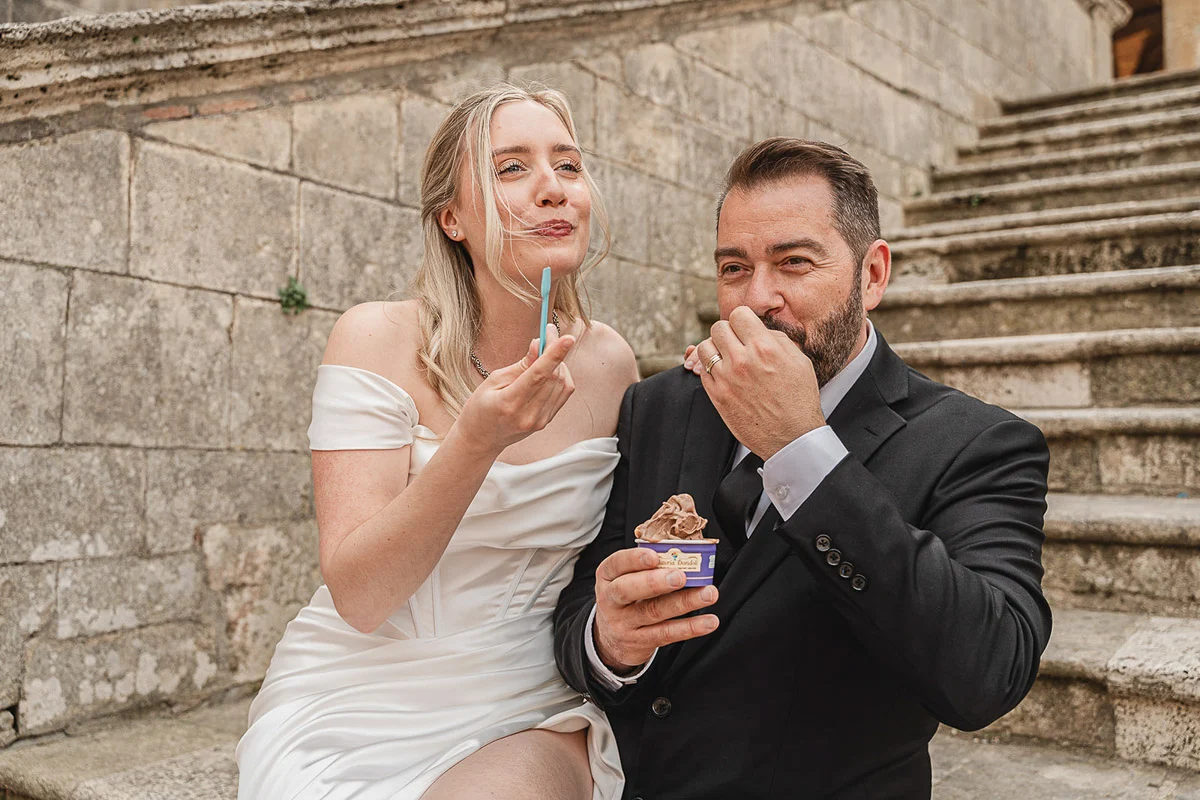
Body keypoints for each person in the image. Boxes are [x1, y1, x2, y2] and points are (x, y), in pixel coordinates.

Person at [553, 137, 1053, 799]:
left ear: (872, 276)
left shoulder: (977, 443)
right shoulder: (657, 405)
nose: (758, 299)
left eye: (793, 262)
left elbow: (988, 673)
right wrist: (609, 643)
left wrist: (801, 448)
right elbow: (578, 609)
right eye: (735, 268)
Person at [236, 84, 639, 800]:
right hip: (355, 696)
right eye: (511, 168)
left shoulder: (611, 366)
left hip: (532, 700)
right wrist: (474, 444)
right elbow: (360, 596)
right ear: (452, 218)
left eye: (568, 166)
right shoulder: (375, 339)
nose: (553, 189)